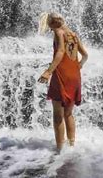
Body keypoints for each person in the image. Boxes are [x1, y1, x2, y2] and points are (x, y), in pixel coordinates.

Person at [37, 12, 88, 152]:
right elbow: (85, 55)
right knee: (68, 114)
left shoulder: (59, 32)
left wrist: (48, 72)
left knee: (58, 115)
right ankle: (71, 146)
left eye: (50, 27)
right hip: (75, 76)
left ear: (55, 23)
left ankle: (60, 149)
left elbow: (60, 52)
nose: (51, 30)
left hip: (62, 75)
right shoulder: (74, 35)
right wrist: (79, 65)